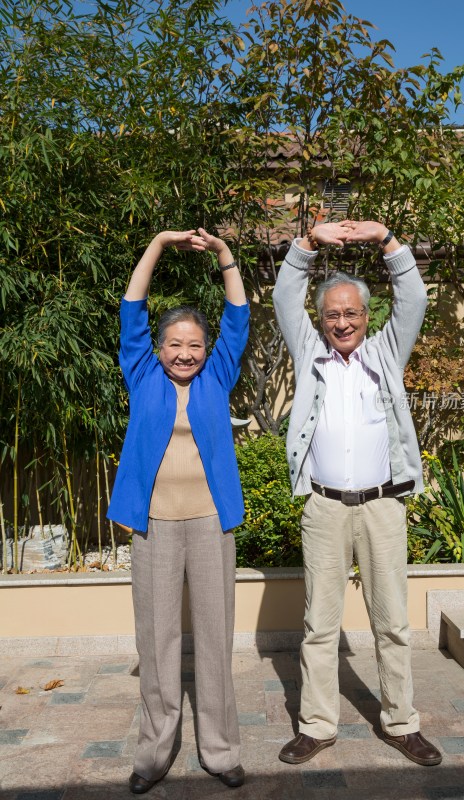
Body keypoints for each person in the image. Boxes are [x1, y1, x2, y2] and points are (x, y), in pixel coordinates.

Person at [272, 220, 442, 768]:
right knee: (319, 626)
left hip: (382, 505)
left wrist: (384, 238)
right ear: (320, 321)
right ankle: (318, 726)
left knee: (392, 621)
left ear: (368, 317)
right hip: (323, 506)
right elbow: (283, 294)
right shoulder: (310, 353)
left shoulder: (387, 352)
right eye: (332, 314)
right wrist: (309, 243)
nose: (342, 322)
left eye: (352, 313)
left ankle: (400, 721)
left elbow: (413, 294)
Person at [107, 228, 249, 794]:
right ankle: (153, 752)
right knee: (157, 639)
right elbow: (132, 307)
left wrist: (222, 254)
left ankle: (220, 750)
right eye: (175, 344)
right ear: (158, 348)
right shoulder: (141, 374)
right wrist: (159, 246)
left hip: (212, 522)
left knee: (214, 639)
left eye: (194, 344)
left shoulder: (218, 375)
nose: (185, 353)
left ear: (206, 349)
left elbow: (238, 313)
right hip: (154, 525)